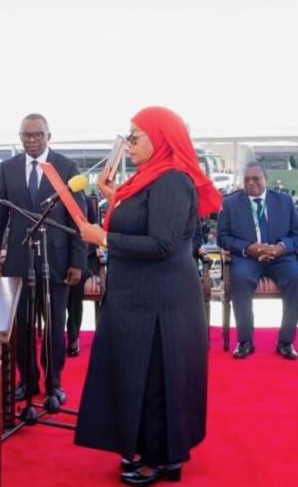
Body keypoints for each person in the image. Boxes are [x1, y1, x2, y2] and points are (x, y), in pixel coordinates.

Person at [75, 106, 220, 485]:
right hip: (138, 297)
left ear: (161, 138)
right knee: (139, 375)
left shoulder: (173, 180)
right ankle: (146, 448)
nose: (129, 143)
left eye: (136, 136)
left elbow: (161, 243)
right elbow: (139, 223)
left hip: (162, 301)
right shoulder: (147, 180)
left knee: (157, 378)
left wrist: (102, 237)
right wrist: (113, 197)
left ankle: (164, 460)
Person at [0, 113, 86, 411]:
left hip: (57, 261)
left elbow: (78, 217)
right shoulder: (8, 168)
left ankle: (54, 385)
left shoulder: (66, 167)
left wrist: (78, 261)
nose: (31, 140)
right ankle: (26, 381)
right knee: (23, 327)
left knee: (55, 327)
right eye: (26, 136)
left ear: (48, 136)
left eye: (37, 135)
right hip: (18, 259)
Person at [216, 160, 298, 360]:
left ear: (266, 179)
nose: (250, 183)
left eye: (256, 179)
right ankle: (245, 340)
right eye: (246, 179)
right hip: (248, 258)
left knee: (297, 279)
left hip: (280, 258)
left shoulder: (285, 201)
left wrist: (280, 247)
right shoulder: (230, 203)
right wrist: (248, 248)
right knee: (239, 278)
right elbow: (222, 238)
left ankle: (285, 341)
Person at [66, 192, 100, 357]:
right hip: (59, 260)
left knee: (76, 282)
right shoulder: (51, 202)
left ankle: (73, 337)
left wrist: (77, 261)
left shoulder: (85, 202)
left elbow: (94, 238)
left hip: (84, 261)